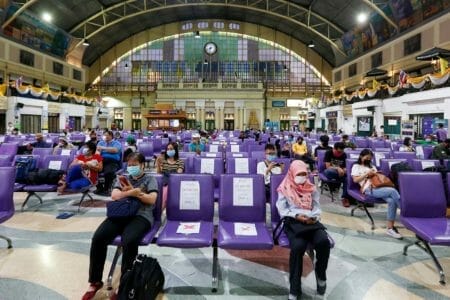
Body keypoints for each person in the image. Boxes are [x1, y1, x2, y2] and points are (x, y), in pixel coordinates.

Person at [81, 153, 158, 300]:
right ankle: (95, 281)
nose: (131, 167)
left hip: (141, 216)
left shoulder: (150, 179)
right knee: (98, 237)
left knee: (129, 240)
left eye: (135, 164)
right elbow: (115, 196)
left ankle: (125, 283)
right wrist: (132, 192)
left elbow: (152, 199)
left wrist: (137, 194)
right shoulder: (122, 177)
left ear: (142, 165)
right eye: (129, 164)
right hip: (121, 213)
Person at [276, 160, 330, 299]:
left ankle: (321, 275)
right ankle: (295, 288)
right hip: (293, 221)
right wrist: (297, 215)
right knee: (298, 247)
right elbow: (282, 210)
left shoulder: (311, 188)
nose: (302, 177)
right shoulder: (285, 187)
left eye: (304, 174)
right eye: (299, 174)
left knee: (323, 242)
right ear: (292, 173)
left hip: (311, 221)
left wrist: (314, 216)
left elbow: (317, 207)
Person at [351, 149, 402, 239]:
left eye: (370, 158)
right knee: (393, 191)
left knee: (391, 201)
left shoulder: (372, 166)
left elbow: (377, 177)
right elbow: (355, 180)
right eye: (367, 158)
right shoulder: (356, 166)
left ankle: (390, 229)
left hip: (380, 187)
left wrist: (374, 172)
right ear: (361, 156)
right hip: (368, 189)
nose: (368, 160)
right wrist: (367, 173)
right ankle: (405, 211)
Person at [156, 142, 184, 209]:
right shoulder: (163, 161)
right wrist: (158, 165)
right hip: (164, 183)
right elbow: (159, 174)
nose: (169, 151)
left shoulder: (180, 162)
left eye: (171, 149)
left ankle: (160, 209)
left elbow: (178, 174)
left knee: (165, 192)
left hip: (174, 183)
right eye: (168, 149)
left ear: (175, 150)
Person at [95, 130, 122, 196]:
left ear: (111, 136)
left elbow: (115, 150)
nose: (106, 137)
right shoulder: (100, 143)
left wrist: (103, 148)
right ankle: (99, 187)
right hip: (101, 160)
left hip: (112, 161)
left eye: (107, 135)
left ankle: (107, 189)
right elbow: (97, 152)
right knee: (93, 170)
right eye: (104, 135)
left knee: (109, 172)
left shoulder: (116, 143)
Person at [323, 142, 350, 207]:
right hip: (331, 172)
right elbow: (328, 166)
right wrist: (337, 168)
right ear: (334, 149)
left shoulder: (344, 155)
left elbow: (344, 167)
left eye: (341, 152)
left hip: (341, 173)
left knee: (347, 178)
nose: (340, 154)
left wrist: (344, 170)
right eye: (338, 152)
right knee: (328, 172)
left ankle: (345, 198)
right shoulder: (328, 153)